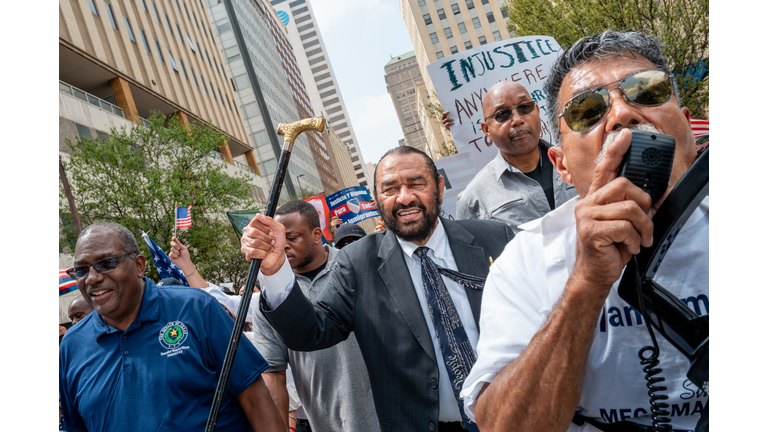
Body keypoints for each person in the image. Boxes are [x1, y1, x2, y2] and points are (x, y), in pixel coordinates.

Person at [461, 30, 708, 432]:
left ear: (685, 126)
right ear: (561, 165)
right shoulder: (523, 263)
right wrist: (586, 283)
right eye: (587, 111)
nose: (621, 114)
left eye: (646, 91)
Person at [241, 146, 515, 432]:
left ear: (440, 187)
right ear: (376, 201)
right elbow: (311, 332)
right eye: (390, 188)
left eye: (416, 183)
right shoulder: (357, 263)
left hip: (516, 416)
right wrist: (274, 272)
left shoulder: (495, 238)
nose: (405, 197)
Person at [59, 222, 283, 432]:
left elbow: (255, 399)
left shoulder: (196, 308)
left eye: (106, 263)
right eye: (82, 270)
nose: (92, 278)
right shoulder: (72, 345)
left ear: (139, 265)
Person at [249, 200, 379, 432]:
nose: (283, 246)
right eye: (275, 240)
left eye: (291, 237)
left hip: (388, 419)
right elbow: (274, 376)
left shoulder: (358, 268)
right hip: (326, 424)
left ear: (317, 234)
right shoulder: (270, 300)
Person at [445, 81, 578, 233]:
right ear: (487, 130)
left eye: (524, 108)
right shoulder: (472, 199)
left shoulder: (582, 160)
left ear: (537, 111)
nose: (517, 120)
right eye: (502, 115)